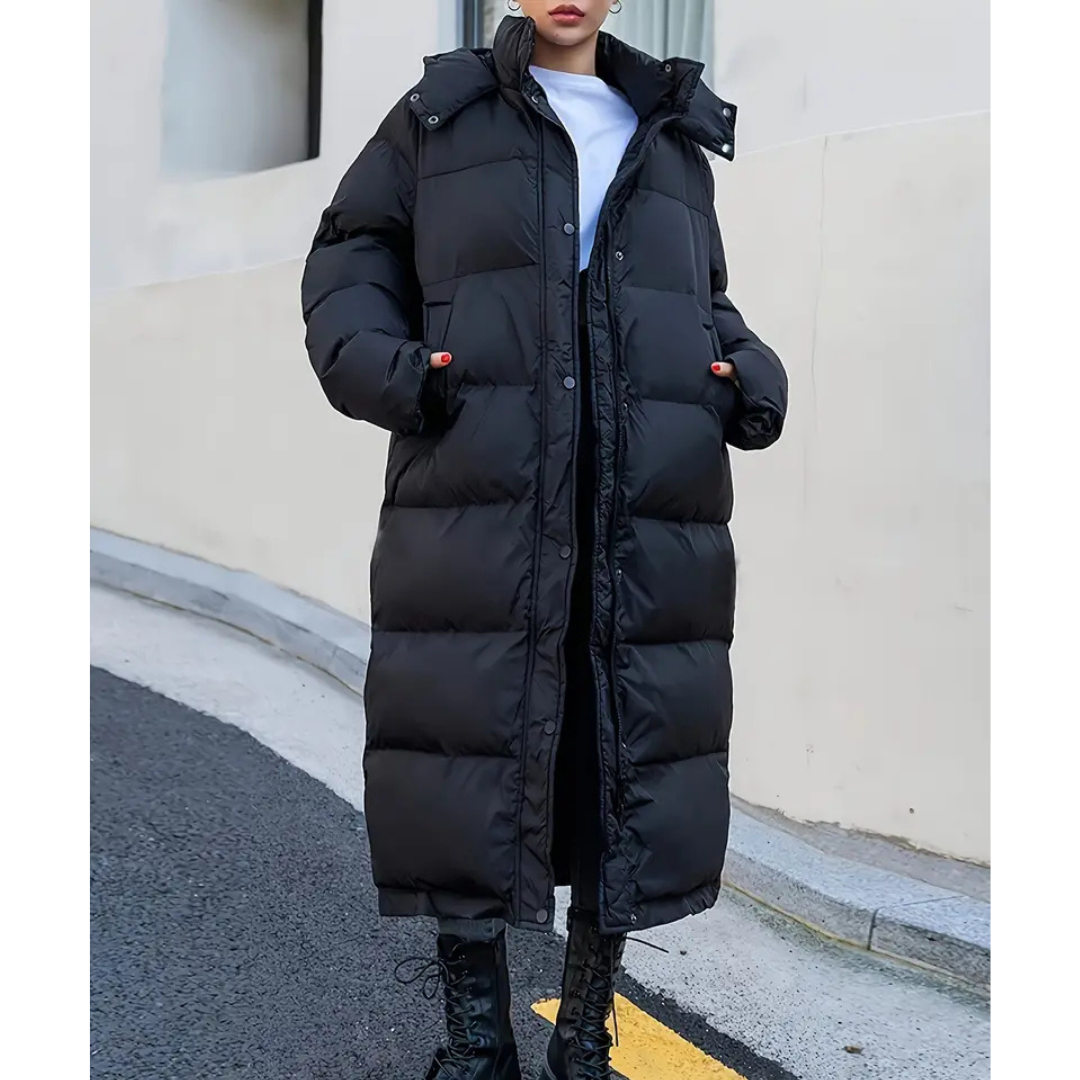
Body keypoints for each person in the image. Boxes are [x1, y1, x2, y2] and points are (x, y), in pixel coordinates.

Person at [300, 2, 787, 1076]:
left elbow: (701, 298)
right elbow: (349, 261)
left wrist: (746, 372)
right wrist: (401, 375)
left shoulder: (666, 130)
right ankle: (477, 1043)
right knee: (466, 746)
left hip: (642, 498)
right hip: (482, 484)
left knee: (625, 755)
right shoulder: (441, 115)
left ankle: (585, 1037)